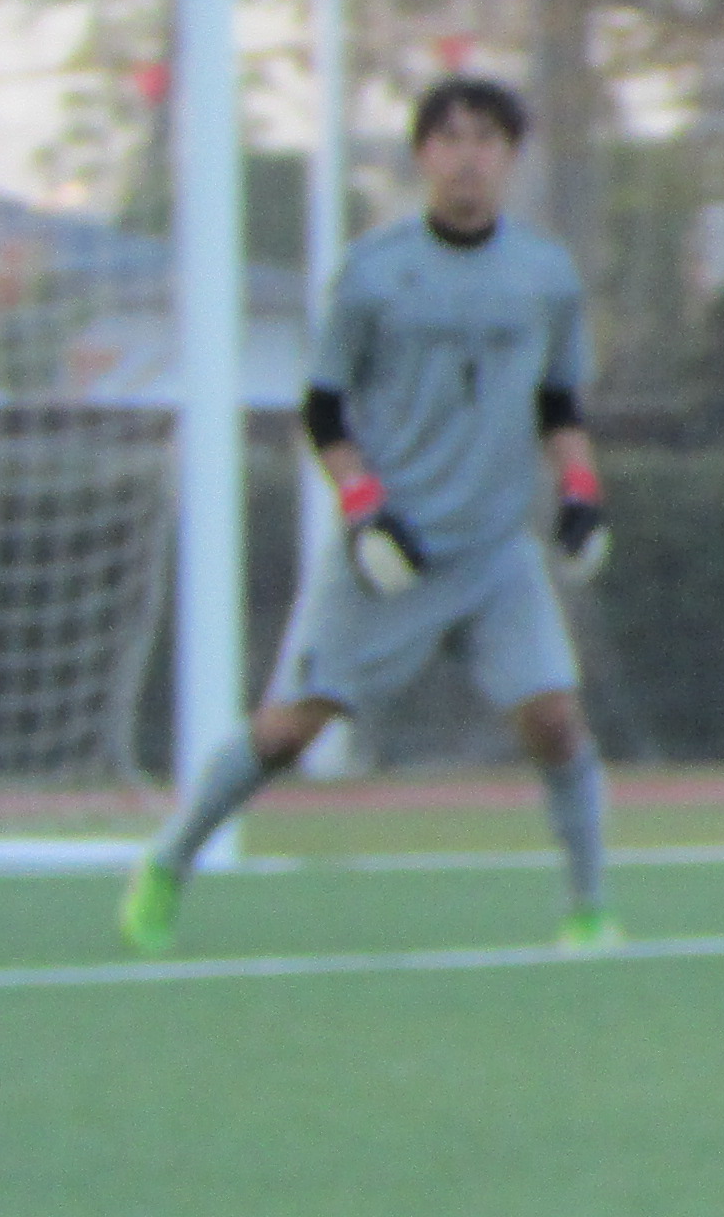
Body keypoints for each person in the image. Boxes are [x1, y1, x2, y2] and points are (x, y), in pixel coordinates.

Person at [121, 75, 618, 957]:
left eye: (486, 140)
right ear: (422, 155)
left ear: (510, 157)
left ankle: (589, 912)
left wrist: (580, 491)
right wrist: (365, 511)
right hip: (395, 552)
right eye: (450, 138)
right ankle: (170, 858)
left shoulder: (545, 274)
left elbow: (558, 403)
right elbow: (324, 409)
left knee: (555, 721)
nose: (467, 158)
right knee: (290, 731)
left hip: (494, 552)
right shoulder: (374, 270)